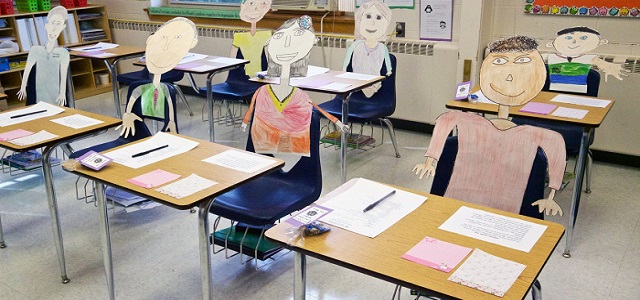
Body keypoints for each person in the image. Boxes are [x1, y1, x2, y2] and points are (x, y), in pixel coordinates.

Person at [413, 36, 567, 216]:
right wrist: (430, 160)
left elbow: (556, 146)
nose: (509, 77)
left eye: (522, 62)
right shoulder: (469, 124)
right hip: (455, 208)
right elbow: (445, 120)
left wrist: (551, 195)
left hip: (507, 215)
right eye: (500, 62)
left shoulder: (533, 135)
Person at [242, 16, 347, 171]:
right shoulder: (263, 92)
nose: (286, 44)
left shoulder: (299, 96)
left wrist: (337, 122)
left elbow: (315, 107)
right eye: (280, 37)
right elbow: (252, 108)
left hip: (293, 145)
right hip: (264, 144)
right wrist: (245, 122)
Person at [117, 17, 198, 138]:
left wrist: (170, 123)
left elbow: (170, 114)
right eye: (163, 38)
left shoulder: (165, 90)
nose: (166, 45)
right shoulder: (139, 88)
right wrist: (128, 115)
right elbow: (133, 101)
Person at [547, 26, 626, 93]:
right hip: (552, 93)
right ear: (552, 43)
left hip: (579, 93)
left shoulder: (588, 58)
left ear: (601, 42)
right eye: (568, 37)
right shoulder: (551, 57)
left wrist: (611, 68)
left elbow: (603, 64)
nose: (574, 41)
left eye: (583, 38)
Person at [17, 6, 70, 106]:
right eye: (52, 23)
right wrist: (23, 87)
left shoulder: (63, 53)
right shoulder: (35, 50)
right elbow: (27, 71)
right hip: (37, 97)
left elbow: (63, 78)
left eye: (58, 24)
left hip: (55, 95)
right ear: (46, 26)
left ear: (62, 28)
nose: (54, 28)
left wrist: (62, 93)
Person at [344, 0, 393, 97]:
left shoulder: (382, 48)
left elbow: (387, 59)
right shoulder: (356, 45)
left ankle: (371, 87)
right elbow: (348, 57)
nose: (372, 22)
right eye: (368, 16)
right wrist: (344, 69)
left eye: (378, 17)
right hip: (355, 84)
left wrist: (389, 70)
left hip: (374, 82)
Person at [230, 0, 272, 77]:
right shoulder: (239, 37)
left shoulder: (265, 35)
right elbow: (233, 57)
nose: (256, 9)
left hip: (261, 75)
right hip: (243, 75)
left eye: (263, 3)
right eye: (251, 3)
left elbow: (268, 56)